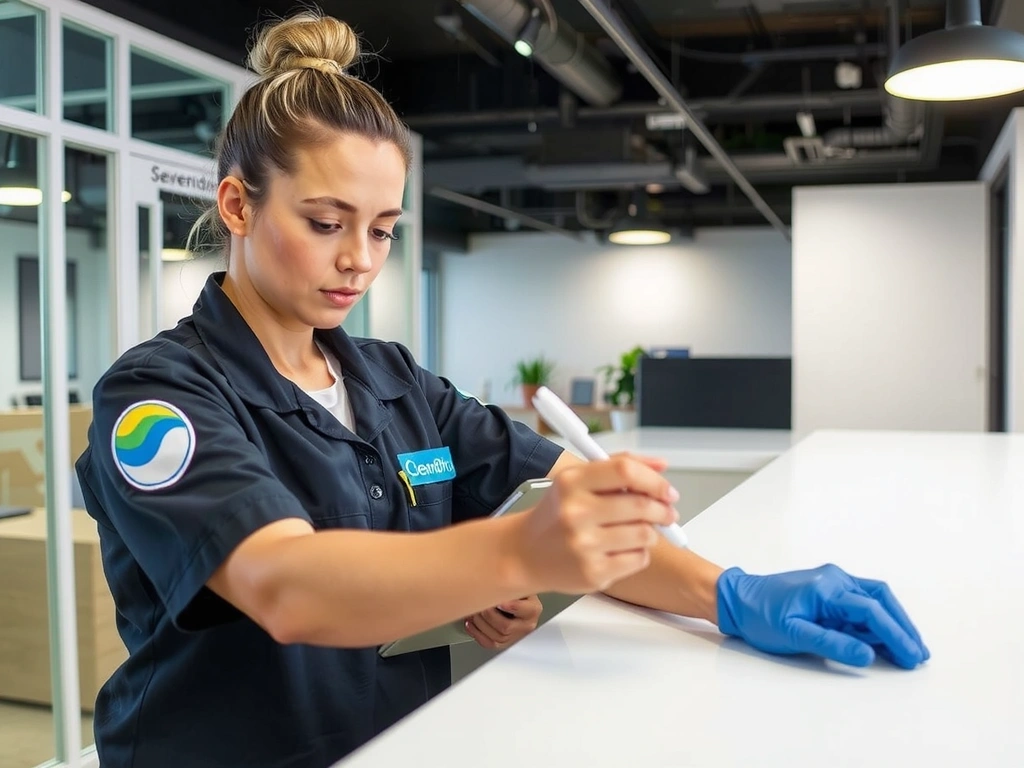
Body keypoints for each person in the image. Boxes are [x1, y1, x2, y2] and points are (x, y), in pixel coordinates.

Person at [75, 9, 929, 768]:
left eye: (382, 230)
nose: (360, 261)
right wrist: (514, 556)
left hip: (402, 743)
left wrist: (729, 595)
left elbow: (559, 494)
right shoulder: (156, 397)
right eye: (327, 224)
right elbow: (286, 585)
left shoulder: (392, 380)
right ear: (236, 204)